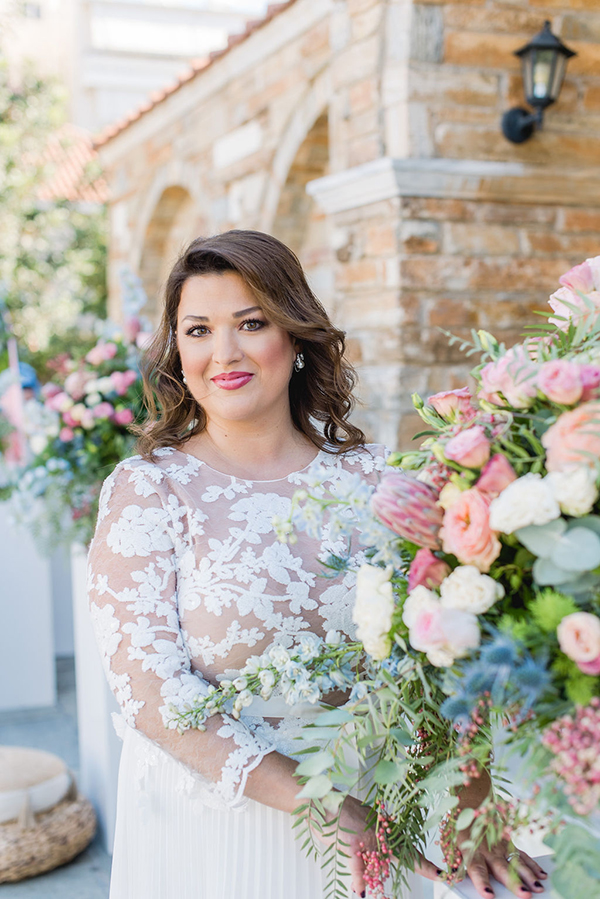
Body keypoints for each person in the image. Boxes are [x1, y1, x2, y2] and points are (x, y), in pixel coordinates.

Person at [87, 230, 547, 899]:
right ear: (176, 350)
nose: (225, 353)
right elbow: (153, 693)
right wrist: (324, 805)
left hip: (377, 809)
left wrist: (474, 804)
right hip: (220, 828)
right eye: (198, 330)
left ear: (296, 336)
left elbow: (443, 651)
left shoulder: (379, 478)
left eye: (251, 322)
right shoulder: (148, 490)